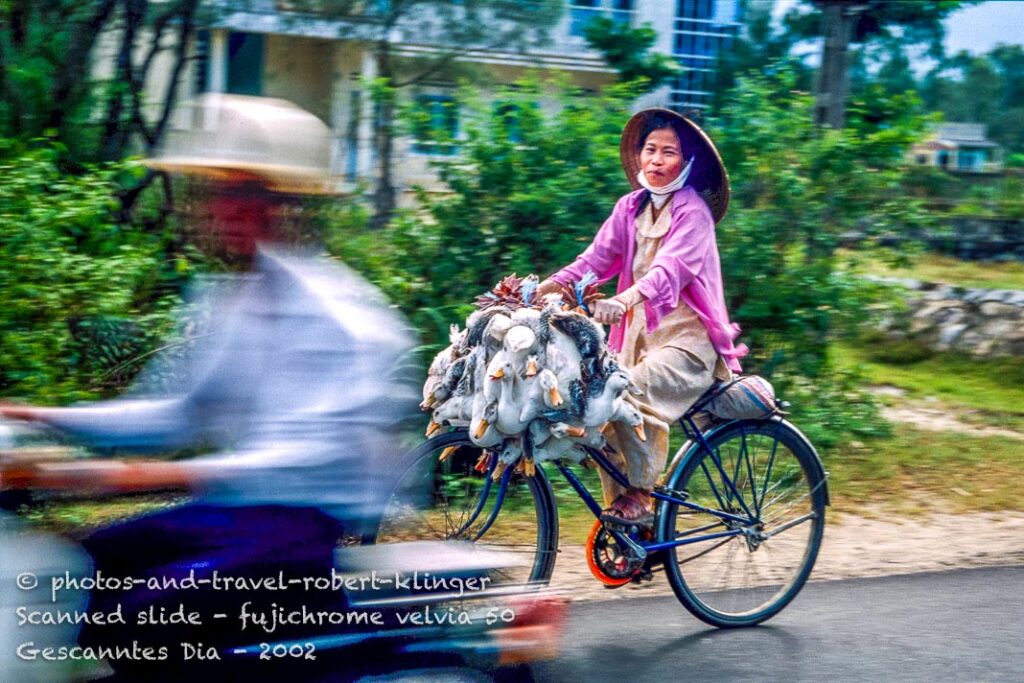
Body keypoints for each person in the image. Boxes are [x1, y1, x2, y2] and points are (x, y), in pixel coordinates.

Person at [0, 95, 419, 655]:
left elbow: (300, 457)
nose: (218, 210)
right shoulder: (228, 300)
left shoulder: (342, 318)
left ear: (282, 203)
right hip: (226, 517)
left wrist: (136, 477)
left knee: (135, 619)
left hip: (295, 537)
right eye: (213, 193)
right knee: (78, 568)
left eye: (240, 193)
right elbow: (177, 412)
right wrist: (42, 418)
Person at [536, 108, 747, 527]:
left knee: (625, 393)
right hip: (635, 340)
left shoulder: (694, 214)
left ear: (687, 163)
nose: (655, 159)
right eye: (650, 149)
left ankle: (642, 496)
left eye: (668, 152)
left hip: (687, 344)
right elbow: (592, 261)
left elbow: (667, 271)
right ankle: (630, 527)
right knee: (594, 405)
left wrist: (623, 302)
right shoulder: (630, 207)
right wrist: (540, 289)